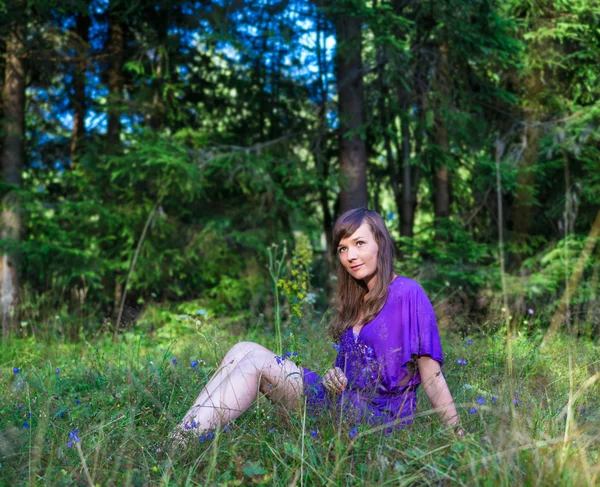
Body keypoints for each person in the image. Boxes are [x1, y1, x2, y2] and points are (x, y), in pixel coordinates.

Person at [173, 208, 462, 444]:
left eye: (359, 243)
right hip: (341, 404)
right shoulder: (356, 301)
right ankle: (181, 435)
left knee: (254, 363)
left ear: (380, 243)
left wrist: (459, 440)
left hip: (378, 420)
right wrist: (333, 376)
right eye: (343, 248)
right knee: (242, 349)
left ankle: (178, 445)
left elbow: (432, 377)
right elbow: (346, 374)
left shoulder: (408, 294)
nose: (350, 256)